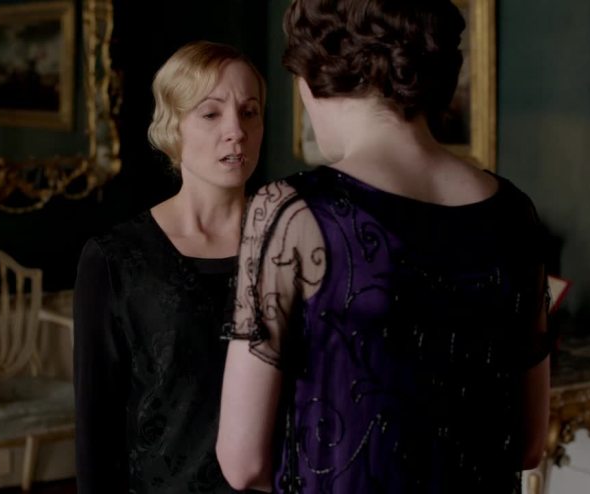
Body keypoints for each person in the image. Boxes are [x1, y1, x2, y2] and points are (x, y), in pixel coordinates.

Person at [215, 1, 550, 493]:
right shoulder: (514, 214)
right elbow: (529, 444)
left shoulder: (293, 212)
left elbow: (242, 463)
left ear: (310, 81)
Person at [74, 40, 265, 493]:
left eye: (249, 112)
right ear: (172, 126)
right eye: (211, 113)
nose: (236, 130)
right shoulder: (115, 258)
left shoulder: (293, 243)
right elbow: (96, 429)